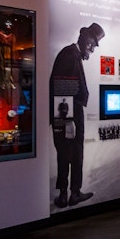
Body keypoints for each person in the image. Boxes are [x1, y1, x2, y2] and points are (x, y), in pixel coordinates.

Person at [50, 22, 104, 209]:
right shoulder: (70, 55)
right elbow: (62, 88)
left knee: (67, 154)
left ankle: (67, 194)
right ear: (88, 42)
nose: (93, 51)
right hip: (68, 114)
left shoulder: (71, 55)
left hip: (66, 113)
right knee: (72, 153)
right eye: (94, 46)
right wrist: (69, 121)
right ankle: (71, 194)